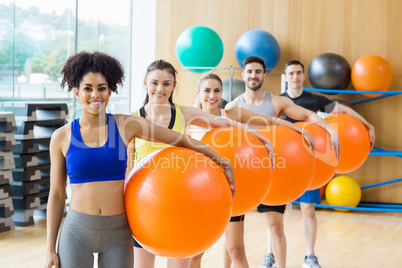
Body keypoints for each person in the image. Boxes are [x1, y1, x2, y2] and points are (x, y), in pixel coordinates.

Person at [44, 52, 235, 268]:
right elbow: (57, 195)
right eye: (88, 88)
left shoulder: (127, 125)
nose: (95, 95)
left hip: (118, 231)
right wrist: (50, 248)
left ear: (110, 91)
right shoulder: (61, 137)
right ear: (77, 92)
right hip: (77, 232)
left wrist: (221, 161)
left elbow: (180, 139)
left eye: (102, 88)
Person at [127, 59, 275, 268]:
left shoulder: (183, 113)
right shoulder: (133, 120)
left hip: (181, 203)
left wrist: (259, 137)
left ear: (174, 86)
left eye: (166, 84)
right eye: (154, 83)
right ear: (145, 83)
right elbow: (127, 169)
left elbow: (222, 122)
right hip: (142, 206)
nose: (160, 89)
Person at [187, 72, 316, 268]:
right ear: (198, 92)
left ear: (222, 93)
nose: (212, 96)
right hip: (201, 193)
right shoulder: (189, 120)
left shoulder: (230, 114)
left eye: (217, 91)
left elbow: (270, 121)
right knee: (194, 255)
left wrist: (299, 129)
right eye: (207, 91)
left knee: (237, 251)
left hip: (232, 193)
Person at [225, 56, 341, 268]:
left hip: (272, 176)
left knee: (276, 230)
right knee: (231, 241)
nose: (253, 75)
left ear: (264, 75)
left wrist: (330, 129)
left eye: (258, 71)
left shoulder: (277, 101)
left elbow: (307, 115)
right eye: (249, 71)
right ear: (243, 76)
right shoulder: (234, 106)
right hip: (243, 175)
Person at [279, 59, 375, 268]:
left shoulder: (314, 100)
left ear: (303, 76)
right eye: (291, 73)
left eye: (298, 73)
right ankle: (271, 255)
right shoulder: (277, 103)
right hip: (284, 166)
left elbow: (344, 111)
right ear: (285, 78)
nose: (295, 77)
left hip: (309, 167)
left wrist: (367, 125)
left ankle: (310, 256)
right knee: (274, 215)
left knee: (308, 211)